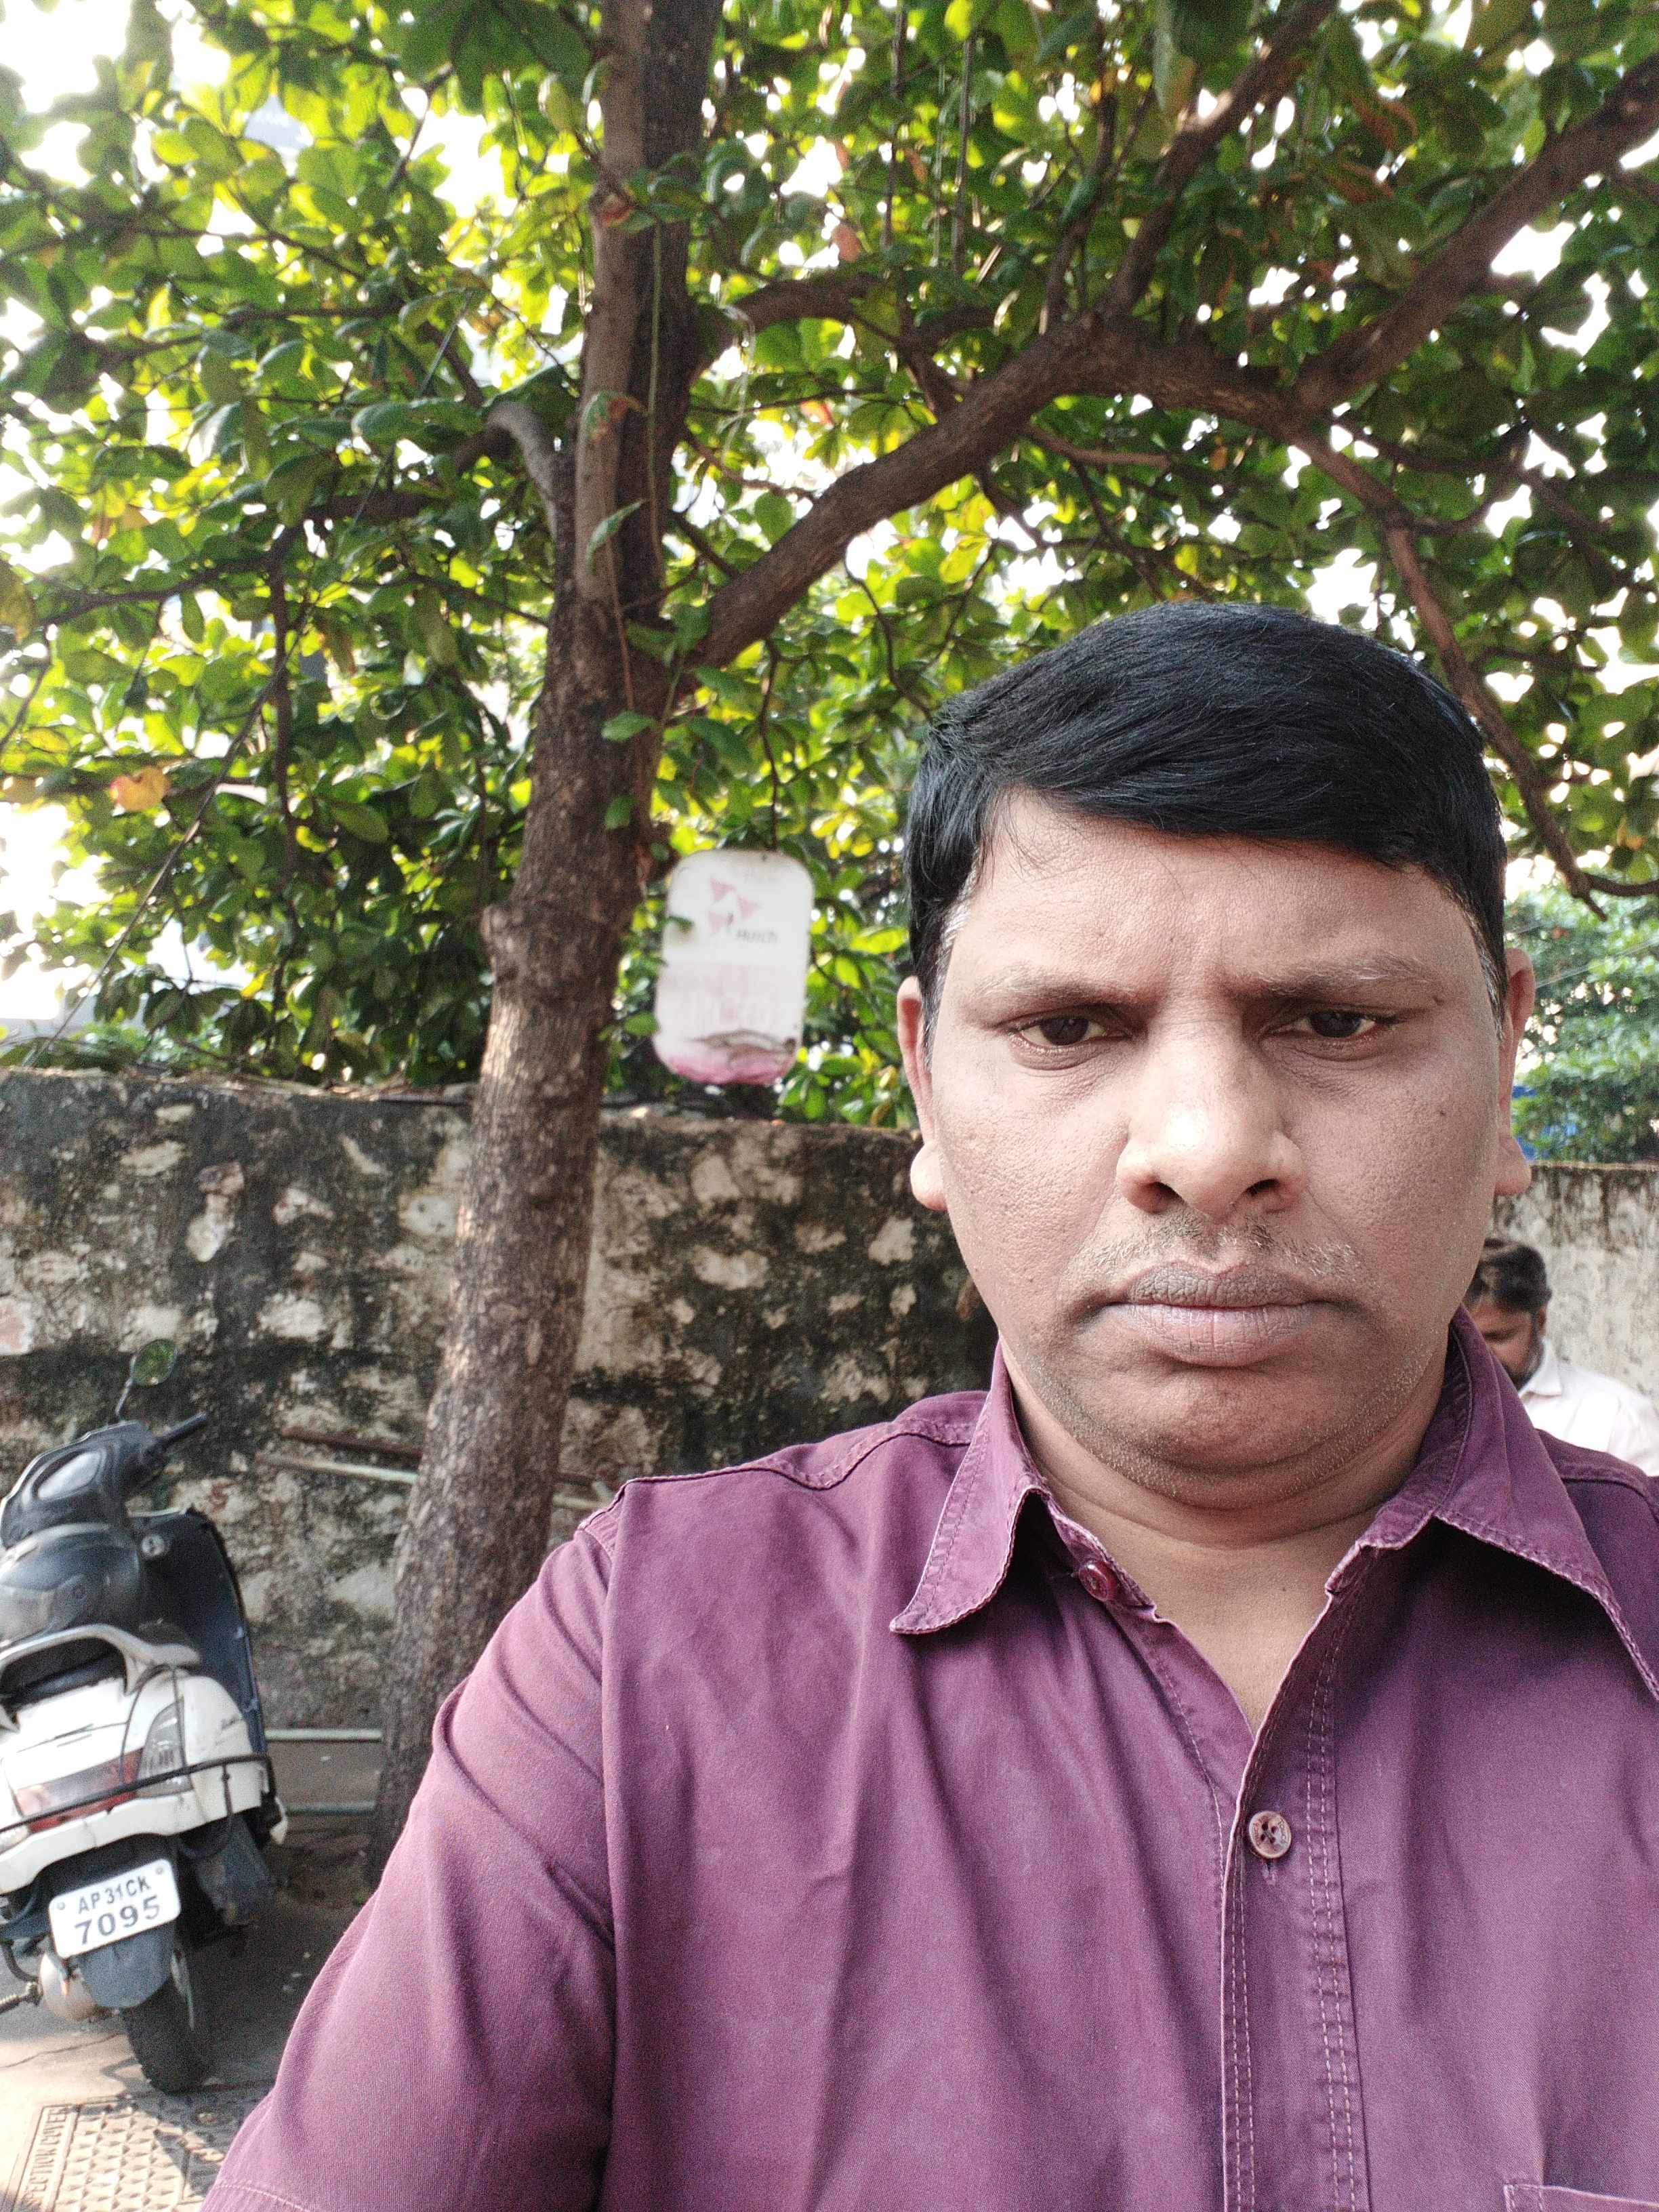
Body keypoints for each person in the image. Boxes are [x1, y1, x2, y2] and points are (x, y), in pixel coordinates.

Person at [206, 605, 1659, 2212]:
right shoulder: (648, 1654)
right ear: (923, 1082)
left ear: (1504, 1060)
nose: (1204, 1148)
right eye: (1067, 1028)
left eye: (1334, 1022)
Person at [1465, 1233, 1659, 1476]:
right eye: (1465, 1338)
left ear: (1540, 1320)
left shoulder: (1618, 1419)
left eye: (1499, 1337)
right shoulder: (1434, 1413)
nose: (1480, 1353)